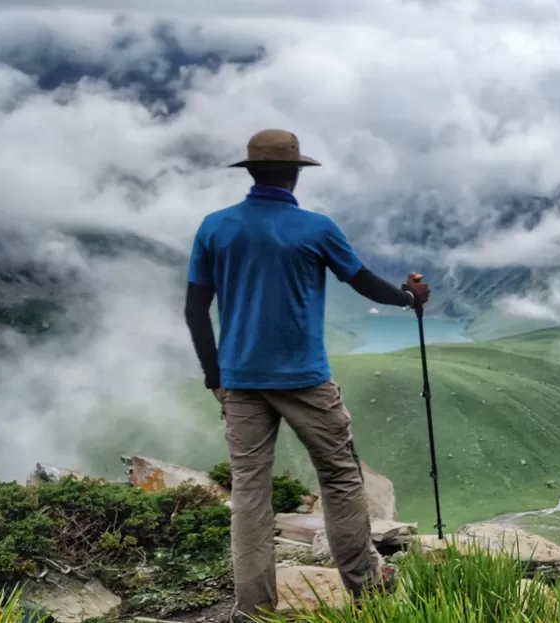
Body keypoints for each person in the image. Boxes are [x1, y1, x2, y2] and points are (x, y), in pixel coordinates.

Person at [182, 129, 431, 621]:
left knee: (250, 490)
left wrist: (216, 375)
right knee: (339, 478)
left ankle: (254, 609)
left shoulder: (215, 227)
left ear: (251, 172)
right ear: (296, 174)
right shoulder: (316, 229)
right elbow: (363, 283)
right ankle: (365, 589)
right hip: (305, 379)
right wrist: (409, 298)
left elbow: (195, 308)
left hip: (240, 380)